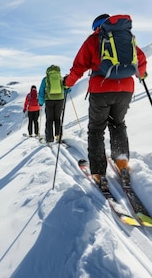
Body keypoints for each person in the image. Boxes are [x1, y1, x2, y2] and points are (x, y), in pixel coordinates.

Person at [63, 14, 147, 188]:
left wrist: (67, 83)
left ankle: (99, 172)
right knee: (118, 124)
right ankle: (122, 162)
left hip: (101, 89)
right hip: (125, 89)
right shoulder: (126, 38)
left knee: (96, 130)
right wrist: (142, 74)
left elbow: (79, 66)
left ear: (96, 27)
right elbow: (140, 59)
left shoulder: (94, 39)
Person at [38, 65, 66, 144]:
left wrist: (40, 102)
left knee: (49, 119)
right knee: (57, 118)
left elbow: (41, 92)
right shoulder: (60, 78)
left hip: (49, 100)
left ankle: (49, 138)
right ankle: (58, 136)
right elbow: (67, 88)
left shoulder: (45, 79)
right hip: (60, 100)